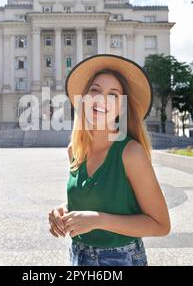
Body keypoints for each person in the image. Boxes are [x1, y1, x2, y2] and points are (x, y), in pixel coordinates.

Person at [48, 54, 170, 266]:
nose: (101, 99)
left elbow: (161, 225)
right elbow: (102, 198)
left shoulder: (130, 152)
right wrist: (64, 212)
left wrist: (98, 220)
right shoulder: (74, 150)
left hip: (121, 259)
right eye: (95, 90)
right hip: (78, 256)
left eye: (113, 95)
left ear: (121, 107)